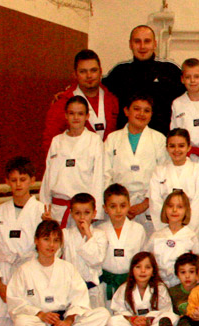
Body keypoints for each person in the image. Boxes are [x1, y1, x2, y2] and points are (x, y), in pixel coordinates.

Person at [6, 220, 111, 326]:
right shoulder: (24, 270)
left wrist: (69, 320)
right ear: (36, 240)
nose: (51, 245)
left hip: (65, 321)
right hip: (41, 321)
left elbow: (79, 299)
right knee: (21, 323)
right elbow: (16, 304)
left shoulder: (68, 268)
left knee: (102, 314)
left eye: (56, 240)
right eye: (46, 239)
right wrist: (40, 314)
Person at [104, 25, 199, 134]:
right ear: (130, 44)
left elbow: (198, 85)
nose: (142, 46)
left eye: (147, 41)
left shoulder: (169, 69)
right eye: (137, 41)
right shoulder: (120, 71)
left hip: (163, 139)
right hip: (129, 138)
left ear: (155, 44)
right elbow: (98, 87)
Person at [0, 157, 47, 326]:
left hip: (30, 271)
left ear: (32, 180)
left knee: (28, 319)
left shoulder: (41, 211)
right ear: (7, 181)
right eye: (13, 180)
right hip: (5, 272)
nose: (18, 184)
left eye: (23, 179)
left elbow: (49, 250)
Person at [40, 96, 107, 227]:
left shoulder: (94, 141)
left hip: (83, 210)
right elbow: (47, 177)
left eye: (80, 114)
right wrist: (44, 208)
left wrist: (95, 213)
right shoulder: (57, 141)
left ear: (87, 116)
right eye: (71, 113)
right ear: (65, 115)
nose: (76, 117)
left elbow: (99, 178)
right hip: (57, 209)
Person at [104, 96, 168, 233]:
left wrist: (145, 203)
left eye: (146, 110)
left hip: (148, 203)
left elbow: (164, 175)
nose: (141, 114)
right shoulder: (113, 139)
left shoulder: (159, 139)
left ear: (151, 114)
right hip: (118, 205)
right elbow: (105, 174)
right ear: (126, 111)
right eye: (136, 109)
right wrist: (117, 204)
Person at [43, 49, 118, 153]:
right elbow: (50, 144)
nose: (89, 76)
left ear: (101, 72)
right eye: (83, 71)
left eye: (93, 70)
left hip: (108, 160)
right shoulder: (63, 103)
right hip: (76, 161)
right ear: (75, 74)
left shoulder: (112, 99)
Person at [106, 251, 178, 326]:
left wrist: (148, 320)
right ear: (132, 270)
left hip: (152, 324)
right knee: (112, 322)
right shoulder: (124, 288)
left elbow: (165, 310)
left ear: (153, 271)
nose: (143, 271)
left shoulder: (160, 288)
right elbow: (119, 311)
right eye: (138, 267)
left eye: (147, 267)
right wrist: (132, 319)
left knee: (172, 317)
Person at [148, 129, 199, 234]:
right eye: (172, 146)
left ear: (189, 147)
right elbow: (155, 202)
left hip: (190, 230)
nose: (176, 150)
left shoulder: (197, 170)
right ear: (166, 148)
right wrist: (165, 228)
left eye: (181, 146)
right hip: (164, 229)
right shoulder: (159, 171)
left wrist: (186, 229)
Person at [98, 184, 148, 300]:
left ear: (129, 205)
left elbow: (143, 259)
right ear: (105, 208)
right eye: (113, 206)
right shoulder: (99, 230)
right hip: (106, 284)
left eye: (123, 206)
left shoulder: (138, 230)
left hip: (131, 284)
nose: (118, 210)